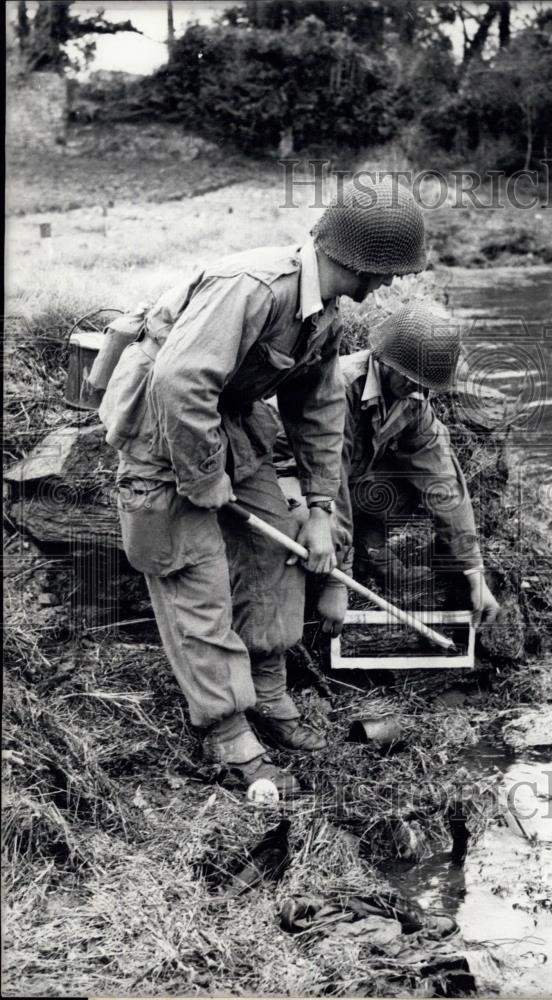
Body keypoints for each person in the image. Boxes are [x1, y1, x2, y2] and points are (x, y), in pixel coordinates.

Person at [98, 179, 427, 797]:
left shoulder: (323, 314)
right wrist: (203, 478)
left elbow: (320, 409)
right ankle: (226, 730)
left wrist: (322, 509)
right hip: (161, 431)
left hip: (233, 423)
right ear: (355, 258)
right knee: (196, 578)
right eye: (385, 272)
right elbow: (177, 384)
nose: (386, 285)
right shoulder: (250, 289)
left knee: (277, 554)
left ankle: (270, 696)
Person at [314, 302, 500, 640]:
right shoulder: (341, 385)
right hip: (297, 482)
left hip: (347, 482)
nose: (418, 392)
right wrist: (337, 581)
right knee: (304, 526)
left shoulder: (413, 398)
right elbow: (329, 483)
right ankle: (330, 568)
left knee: (406, 485)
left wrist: (475, 574)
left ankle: (367, 549)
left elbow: (443, 482)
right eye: (412, 379)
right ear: (385, 360)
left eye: (425, 385)